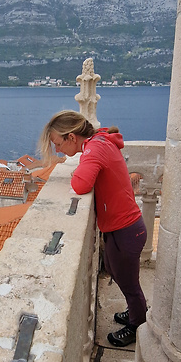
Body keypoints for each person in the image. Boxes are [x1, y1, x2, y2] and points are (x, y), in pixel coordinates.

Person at [40, 110, 147, 347]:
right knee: (113, 268)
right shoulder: (98, 142)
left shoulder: (94, 149)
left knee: (129, 282)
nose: (57, 150)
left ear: (71, 137)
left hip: (126, 229)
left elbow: (80, 184)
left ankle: (138, 323)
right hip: (123, 227)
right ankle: (135, 310)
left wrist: (81, 167)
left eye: (58, 143)